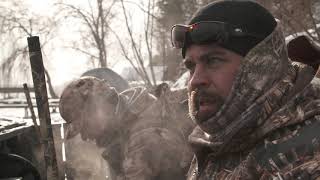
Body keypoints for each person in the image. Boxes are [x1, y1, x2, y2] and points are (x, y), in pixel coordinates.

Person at [170, 0, 320, 179]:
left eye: (213, 61)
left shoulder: (306, 155)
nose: (195, 80)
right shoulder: (214, 140)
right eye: (191, 66)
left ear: (261, 66)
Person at [59, 77, 194, 180]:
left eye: (85, 126)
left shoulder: (143, 136)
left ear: (98, 111)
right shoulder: (128, 116)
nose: (83, 136)